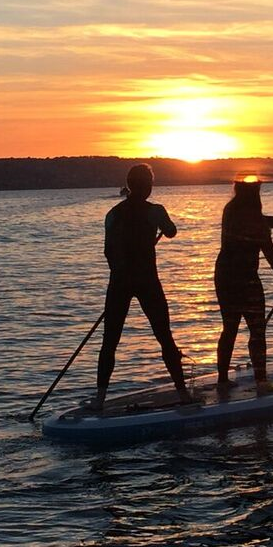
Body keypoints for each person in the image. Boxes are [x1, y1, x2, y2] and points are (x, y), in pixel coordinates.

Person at [90, 164, 192, 409]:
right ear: (146, 186)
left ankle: (100, 399)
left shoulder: (113, 214)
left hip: (119, 282)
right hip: (146, 281)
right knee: (164, 337)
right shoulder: (155, 211)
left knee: (109, 341)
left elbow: (108, 252)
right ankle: (183, 394)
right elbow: (171, 231)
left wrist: (120, 274)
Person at [215, 177, 273, 391]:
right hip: (246, 279)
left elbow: (264, 220)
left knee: (229, 328)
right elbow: (271, 255)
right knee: (257, 330)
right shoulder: (255, 223)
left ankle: (223, 379)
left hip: (224, 277)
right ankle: (261, 379)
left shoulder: (230, 212)